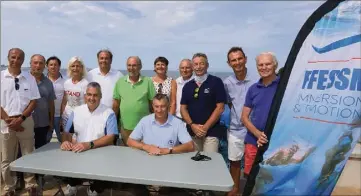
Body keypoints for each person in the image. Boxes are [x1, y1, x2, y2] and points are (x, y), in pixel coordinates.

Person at [60, 82, 119, 196]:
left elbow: (110, 137)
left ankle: (94, 188)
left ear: (100, 96)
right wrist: (66, 142)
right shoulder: (77, 111)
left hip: (101, 153)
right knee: (67, 164)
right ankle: (73, 184)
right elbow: (67, 132)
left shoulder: (108, 113)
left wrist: (89, 145)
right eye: (89, 94)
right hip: (79, 151)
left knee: (101, 177)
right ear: (85, 96)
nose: (92, 98)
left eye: (95, 95)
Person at [1, 48, 40, 196]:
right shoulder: (1, 77)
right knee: (6, 158)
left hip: (25, 120)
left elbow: (33, 101)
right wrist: (8, 120)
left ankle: (31, 185)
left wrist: (21, 119)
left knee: (28, 154)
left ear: (23, 60)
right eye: (13, 57)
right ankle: (9, 188)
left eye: (19, 58)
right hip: (6, 122)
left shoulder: (29, 78)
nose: (15, 60)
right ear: (8, 57)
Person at [241, 52, 280, 178]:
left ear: (275, 65)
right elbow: (244, 117)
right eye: (260, 65)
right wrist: (257, 134)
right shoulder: (253, 89)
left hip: (276, 142)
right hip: (253, 141)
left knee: (270, 178)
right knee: (250, 177)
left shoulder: (284, 86)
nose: (264, 67)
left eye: (267, 64)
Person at [180, 53, 227, 152]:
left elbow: (220, 108)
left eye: (202, 63)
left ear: (207, 65)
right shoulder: (188, 86)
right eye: (196, 64)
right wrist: (192, 125)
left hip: (211, 132)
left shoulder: (216, 82)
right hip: (193, 132)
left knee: (209, 161)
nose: (198, 67)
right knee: (194, 162)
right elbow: (183, 108)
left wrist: (205, 127)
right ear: (192, 66)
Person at [223, 47, 253, 196]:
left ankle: (251, 189)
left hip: (255, 129)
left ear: (245, 59)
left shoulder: (256, 79)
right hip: (236, 128)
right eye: (233, 60)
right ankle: (234, 189)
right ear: (229, 63)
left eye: (240, 59)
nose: (237, 62)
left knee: (254, 161)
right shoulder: (227, 83)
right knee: (234, 160)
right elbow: (229, 103)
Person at [127, 93, 194, 155]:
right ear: (153, 106)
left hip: (169, 160)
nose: (159, 110)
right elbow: (130, 141)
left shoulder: (177, 123)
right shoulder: (145, 121)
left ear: (168, 106)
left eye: (163, 106)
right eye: (156, 106)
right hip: (148, 160)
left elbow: (190, 146)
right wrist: (146, 147)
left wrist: (169, 150)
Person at [112, 56, 156, 145]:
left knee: (142, 153)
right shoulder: (120, 82)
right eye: (129, 65)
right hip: (125, 128)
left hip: (144, 128)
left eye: (134, 65)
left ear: (140, 66)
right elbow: (116, 105)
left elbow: (153, 105)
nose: (131, 68)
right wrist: (114, 125)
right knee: (127, 153)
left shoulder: (148, 82)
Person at [30, 54, 56, 150]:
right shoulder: (24, 80)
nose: (38, 65)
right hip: (26, 122)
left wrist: (51, 121)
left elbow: (51, 104)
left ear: (44, 66)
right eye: (35, 63)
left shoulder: (48, 83)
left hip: (43, 123)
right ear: (30, 64)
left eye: (41, 63)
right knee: (22, 151)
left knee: (40, 150)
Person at [60, 56, 89, 130]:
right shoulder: (67, 82)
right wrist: (62, 115)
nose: (75, 68)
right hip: (66, 117)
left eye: (78, 66)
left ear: (82, 68)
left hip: (80, 117)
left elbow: (87, 104)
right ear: (70, 68)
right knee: (66, 138)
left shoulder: (85, 84)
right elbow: (64, 102)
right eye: (73, 66)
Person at [46, 56, 66, 143]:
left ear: (59, 66)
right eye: (51, 65)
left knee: (63, 140)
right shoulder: (43, 81)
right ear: (47, 66)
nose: (53, 67)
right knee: (45, 141)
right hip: (46, 117)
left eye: (55, 65)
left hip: (61, 117)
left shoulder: (66, 82)